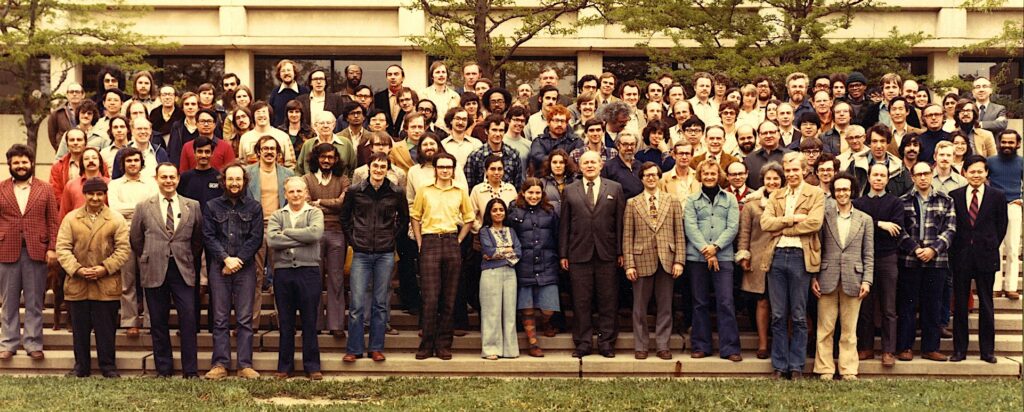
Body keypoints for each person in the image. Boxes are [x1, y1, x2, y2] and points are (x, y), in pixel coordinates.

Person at [130, 163, 203, 378]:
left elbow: (198, 240)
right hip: (154, 269)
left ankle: (190, 371)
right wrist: (149, 256)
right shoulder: (144, 206)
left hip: (183, 269)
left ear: (178, 179)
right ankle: (164, 369)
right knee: (158, 322)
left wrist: (187, 256)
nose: (168, 181)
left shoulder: (193, 205)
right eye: (164, 177)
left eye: (172, 177)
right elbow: (136, 238)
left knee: (188, 321)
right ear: (157, 179)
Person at [54, 177, 130, 378]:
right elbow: (62, 248)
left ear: (104, 195)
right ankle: (81, 366)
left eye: (99, 194)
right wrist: (77, 269)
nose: (95, 198)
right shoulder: (71, 218)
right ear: (85, 195)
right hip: (78, 283)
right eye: (91, 194)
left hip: (106, 284)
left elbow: (123, 249)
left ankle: (108, 366)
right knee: (80, 330)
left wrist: (104, 268)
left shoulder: (116, 219)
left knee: (106, 330)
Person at [761, 151, 825, 380]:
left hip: (800, 256)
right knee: (778, 314)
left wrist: (782, 228)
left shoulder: (815, 194)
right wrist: (792, 219)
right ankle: (779, 365)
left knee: (798, 315)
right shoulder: (776, 195)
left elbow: (815, 223)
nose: (791, 174)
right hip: (776, 256)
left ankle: (796, 365)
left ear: (804, 170)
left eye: (795, 170)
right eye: (787, 171)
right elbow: (765, 223)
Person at [340, 152, 409, 362]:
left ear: (387, 169)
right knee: (357, 303)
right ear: (368, 167)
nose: (378, 170)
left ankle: (376, 347)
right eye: (375, 166)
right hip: (361, 252)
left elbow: (404, 220)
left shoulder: (396, 192)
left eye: (383, 167)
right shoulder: (355, 191)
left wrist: (391, 239)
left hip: (385, 253)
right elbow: (345, 218)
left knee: (380, 303)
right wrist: (354, 240)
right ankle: (354, 348)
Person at [559, 151, 625, 358]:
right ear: (579, 166)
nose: (589, 166)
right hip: (578, 253)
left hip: (607, 253)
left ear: (601, 165)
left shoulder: (615, 188)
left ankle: (606, 343)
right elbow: (564, 225)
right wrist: (563, 253)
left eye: (593, 162)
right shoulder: (569, 190)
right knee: (581, 300)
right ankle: (583, 343)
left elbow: (620, 223)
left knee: (608, 299)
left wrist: (620, 251)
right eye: (585, 162)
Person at [201, 163, 263, 380]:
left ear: (244, 181)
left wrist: (238, 261)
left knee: (245, 318)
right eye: (230, 179)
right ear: (223, 181)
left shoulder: (254, 207)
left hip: (245, 269)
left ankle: (245, 364)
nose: (234, 183)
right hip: (219, 268)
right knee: (220, 318)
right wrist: (226, 259)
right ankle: (220, 364)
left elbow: (256, 238)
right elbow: (208, 236)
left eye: (238, 179)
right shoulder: (211, 206)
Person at [410, 153, 475, 360]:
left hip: (450, 241)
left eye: (448, 167)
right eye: (441, 167)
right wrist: (420, 242)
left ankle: (444, 344)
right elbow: (415, 217)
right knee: (430, 298)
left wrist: (458, 240)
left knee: (449, 297)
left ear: (453, 169)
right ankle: (427, 344)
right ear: (436, 169)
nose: (445, 170)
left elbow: (469, 219)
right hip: (429, 242)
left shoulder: (460, 191)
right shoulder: (424, 190)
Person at [0, 145, 60, 362]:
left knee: (35, 301)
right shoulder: (1, 188)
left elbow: (54, 221)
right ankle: (8, 343)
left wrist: (52, 248)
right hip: (7, 251)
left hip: (37, 251)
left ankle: (33, 342)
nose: (20, 166)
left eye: (24, 162)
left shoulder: (45, 189)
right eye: (16, 163)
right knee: (9, 301)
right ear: (10, 165)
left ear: (32, 163)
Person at [812, 172, 873, 380]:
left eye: (846, 189)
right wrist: (814, 277)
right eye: (838, 190)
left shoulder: (865, 219)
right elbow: (816, 248)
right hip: (826, 278)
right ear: (833, 192)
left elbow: (868, 253)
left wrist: (867, 279)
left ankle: (848, 369)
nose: (842, 193)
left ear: (852, 191)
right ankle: (825, 368)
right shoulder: (824, 215)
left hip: (854, 279)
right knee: (825, 328)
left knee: (849, 329)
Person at [624, 162, 685, 360]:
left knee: (665, 305)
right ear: (641, 178)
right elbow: (627, 236)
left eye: (654, 175)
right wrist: (629, 264)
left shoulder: (672, 201)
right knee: (639, 307)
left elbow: (679, 233)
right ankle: (641, 346)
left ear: (659, 177)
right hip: (641, 260)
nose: (651, 178)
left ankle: (662, 345)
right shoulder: (633, 203)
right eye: (647, 175)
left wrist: (679, 261)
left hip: (667, 259)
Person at [896, 161, 956, 362]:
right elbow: (899, 230)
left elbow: (951, 229)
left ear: (932, 174)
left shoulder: (945, 200)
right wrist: (915, 249)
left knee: (933, 305)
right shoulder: (903, 201)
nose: (922, 177)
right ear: (912, 177)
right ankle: (905, 347)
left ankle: (931, 347)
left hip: (936, 262)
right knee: (908, 305)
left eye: (926, 173)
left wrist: (933, 249)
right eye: (918, 174)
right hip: (909, 261)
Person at [949, 155, 1007, 364]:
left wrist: (988, 245)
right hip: (961, 256)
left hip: (986, 256)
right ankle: (959, 351)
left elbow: (1002, 226)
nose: (976, 175)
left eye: (980, 171)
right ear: (964, 173)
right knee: (961, 305)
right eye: (972, 171)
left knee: (986, 303)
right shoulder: (953, 195)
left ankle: (987, 351)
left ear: (986, 173)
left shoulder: (997, 196)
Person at [267, 177, 325, 380]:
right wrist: (302, 236)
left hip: (308, 272)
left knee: (310, 320)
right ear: (285, 194)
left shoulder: (314, 213)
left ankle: (312, 366)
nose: (296, 195)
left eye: (299, 191)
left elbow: (315, 234)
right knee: (286, 321)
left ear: (306, 193)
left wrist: (288, 233)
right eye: (291, 192)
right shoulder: (277, 215)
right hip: (283, 273)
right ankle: (285, 366)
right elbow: (272, 239)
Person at [684, 159, 742, 361]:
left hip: (724, 257)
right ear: (700, 176)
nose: (709, 177)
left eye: (713, 174)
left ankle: (730, 348)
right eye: (706, 174)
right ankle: (701, 345)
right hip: (697, 258)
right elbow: (690, 227)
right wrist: (706, 251)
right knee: (699, 302)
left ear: (719, 176)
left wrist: (715, 248)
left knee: (725, 301)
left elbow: (732, 227)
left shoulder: (730, 199)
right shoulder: (692, 200)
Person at [852, 163, 905, 367]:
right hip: (863, 258)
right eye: (875, 175)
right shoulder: (859, 203)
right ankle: (866, 346)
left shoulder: (895, 203)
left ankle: (888, 350)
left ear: (887, 179)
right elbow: (858, 227)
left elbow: (897, 228)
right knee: (865, 305)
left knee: (888, 307)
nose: (878, 179)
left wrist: (872, 225)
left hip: (887, 257)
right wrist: (880, 224)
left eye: (883, 175)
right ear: (869, 177)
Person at [245, 136, 296, 332]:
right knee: (255, 277)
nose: (269, 152)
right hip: (255, 228)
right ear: (258, 152)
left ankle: (284, 321)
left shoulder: (287, 174)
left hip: (279, 229)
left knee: (281, 276)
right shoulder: (248, 174)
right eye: (265, 148)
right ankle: (252, 322)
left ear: (278, 152)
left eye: (273, 149)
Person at [107, 148, 159, 338]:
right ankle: (130, 321)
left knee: (149, 280)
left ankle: (150, 320)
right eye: (129, 161)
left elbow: (155, 207)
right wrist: (141, 208)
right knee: (127, 280)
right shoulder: (114, 185)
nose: (133, 164)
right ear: (123, 164)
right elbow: (115, 209)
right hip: (124, 235)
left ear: (141, 163)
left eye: (136, 160)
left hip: (149, 234)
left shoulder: (151, 184)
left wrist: (132, 212)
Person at [507, 178, 561, 357]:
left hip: (548, 263)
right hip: (524, 264)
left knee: (548, 308)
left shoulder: (550, 212)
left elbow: (556, 235)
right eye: (530, 192)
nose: (534, 196)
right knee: (527, 307)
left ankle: (545, 322)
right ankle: (533, 343)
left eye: (538, 192)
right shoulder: (514, 212)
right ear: (523, 193)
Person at [302, 143, 351, 338]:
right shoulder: (306, 179)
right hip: (313, 233)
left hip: (336, 232)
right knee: (314, 279)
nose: (327, 161)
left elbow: (343, 203)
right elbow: (306, 204)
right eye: (323, 157)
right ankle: (314, 323)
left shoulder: (343, 180)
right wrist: (330, 205)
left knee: (336, 279)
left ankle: (336, 324)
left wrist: (319, 202)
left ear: (336, 159)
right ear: (316, 158)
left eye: (331, 157)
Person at [737, 161, 784, 359]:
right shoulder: (751, 204)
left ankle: (783, 343)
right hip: (758, 257)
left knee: (783, 303)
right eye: (768, 178)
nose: (772, 182)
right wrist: (743, 254)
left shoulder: (788, 200)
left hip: (782, 254)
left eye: (776, 178)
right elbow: (745, 232)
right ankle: (763, 344)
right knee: (763, 302)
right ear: (762, 180)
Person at [477, 198, 522, 360]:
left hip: (510, 273)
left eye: (501, 209)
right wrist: (505, 251)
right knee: (491, 312)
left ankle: (510, 349)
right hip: (491, 273)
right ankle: (490, 349)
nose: (498, 213)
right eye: (494, 210)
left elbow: (518, 251)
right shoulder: (485, 231)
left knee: (509, 311)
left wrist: (499, 252)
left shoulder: (511, 230)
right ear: (489, 213)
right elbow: (489, 251)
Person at [987, 129, 1023, 299]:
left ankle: (1011, 287)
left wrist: (1022, 200)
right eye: (1004, 142)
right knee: (995, 247)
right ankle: (995, 286)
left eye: (1011, 142)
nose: (1007, 145)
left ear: (1018, 144)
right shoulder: (990, 162)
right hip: (994, 207)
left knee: (1013, 248)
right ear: (999, 143)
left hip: (1013, 206)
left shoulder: (1021, 162)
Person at [464, 114, 524, 190]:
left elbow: (517, 186)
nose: (498, 134)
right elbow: (470, 187)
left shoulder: (513, 154)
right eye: (494, 130)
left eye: (501, 130)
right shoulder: (475, 156)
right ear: (486, 131)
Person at [527, 105, 582, 174]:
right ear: (548, 122)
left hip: (570, 180)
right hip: (544, 180)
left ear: (567, 123)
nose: (559, 124)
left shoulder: (575, 141)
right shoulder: (539, 141)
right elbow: (538, 158)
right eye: (556, 120)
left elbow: (578, 161)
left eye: (562, 121)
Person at [744, 120, 791, 189]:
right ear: (759, 136)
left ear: (778, 134)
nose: (768, 136)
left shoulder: (790, 156)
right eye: (764, 133)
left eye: (772, 132)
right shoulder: (749, 159)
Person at [268, 59, 310, 127]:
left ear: (295, 73)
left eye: (289, 70)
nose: (286, 73)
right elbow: (270, 116)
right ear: (279, 75)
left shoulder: (304, 91)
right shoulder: (275, 93)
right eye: (283, 71)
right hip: (279, 134)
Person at [48, 83, 85, 150]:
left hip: (85, 151)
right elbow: (52, 136)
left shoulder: (88, 112)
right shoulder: (57, 113)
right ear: (67, 95)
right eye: (71, 92)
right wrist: (59, 148)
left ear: (83, 95)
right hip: (64, 152)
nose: (74, 94)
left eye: (77, 92)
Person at [374, 64, 407, 137]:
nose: (392, 77)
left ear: (403, 77)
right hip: (384, 138)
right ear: (386, 78)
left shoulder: (409, 96)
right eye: (389, 74)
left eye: (396, 74)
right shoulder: (378, 97)